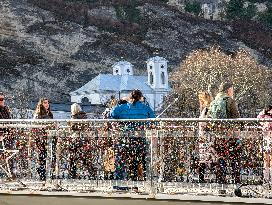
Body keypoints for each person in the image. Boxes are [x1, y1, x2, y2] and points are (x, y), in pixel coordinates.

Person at [111, 89, 155, 181]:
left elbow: (112, 114)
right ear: (140, 98)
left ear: (129, 97)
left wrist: (121, 103)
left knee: (121, 161)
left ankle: (120, 183)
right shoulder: (145, 108)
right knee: (142, 160)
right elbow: (152, 119)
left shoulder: (122, 107)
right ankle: (145, 181)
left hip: (125, 139)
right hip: (140, 138)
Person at [209, 82, 241, 184]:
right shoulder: (229, 100)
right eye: (232, 89)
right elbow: (236, 117)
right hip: (230, 135)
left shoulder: (214, 101)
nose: (233, 91)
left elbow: (210, 118)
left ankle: (221, 180)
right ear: (228, 90)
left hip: (217, 135)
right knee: (234, 157)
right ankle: (236, 180)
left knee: (220, 157)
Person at [33, 98, 53, 181]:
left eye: (48, 103)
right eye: (45, 103)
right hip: (41, 139)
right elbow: (36, 128)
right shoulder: (38, 115)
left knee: (49, 156)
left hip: (49, 138)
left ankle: (46, 173)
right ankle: (42, 174)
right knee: (42, 157)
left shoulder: (50, 114)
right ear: (41, 104)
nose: (47, 104)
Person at [198, 91, 216, 183]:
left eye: (200, 99)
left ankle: (204, 177)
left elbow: (206, 123)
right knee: (205, 156)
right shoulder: (206, 109)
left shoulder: (207, 109)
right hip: (204, 136)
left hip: (206, 136)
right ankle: (203, 176)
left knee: (207, 156)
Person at [257, 105, 272, 182]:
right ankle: (266, 178)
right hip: (266, 139)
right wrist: (264, 111)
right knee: (266, 159)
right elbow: (258, 117)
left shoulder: (266, 118)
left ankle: (268, 178)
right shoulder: (265, 117)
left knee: (269, 159)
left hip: (268, 138)